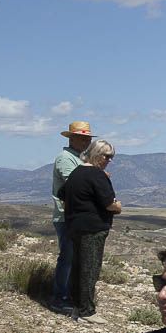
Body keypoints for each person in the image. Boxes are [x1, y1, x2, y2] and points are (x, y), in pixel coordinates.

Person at [59, 138, 122, 323]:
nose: (109, 160)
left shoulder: (77, 172)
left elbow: (63, 196)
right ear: (97, 154)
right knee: (90, 269)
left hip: (75, 226)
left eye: (111, 156)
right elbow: (110, 204)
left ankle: (77, 307)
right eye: (107, 156)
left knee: (78, 267)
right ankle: (87, 312)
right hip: (93, 228)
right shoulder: (97, 175)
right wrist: (118, 206)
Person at [50, 121, 93, 313]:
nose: (85, 141)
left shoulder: (79, 159)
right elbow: (75, 185)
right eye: (82, 138)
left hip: (76, 216)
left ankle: (69, 295)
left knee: (73, 258)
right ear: (72, 138)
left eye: (87, 138)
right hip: (67, 216)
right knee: (67, 258)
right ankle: (60, 298)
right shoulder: (66, 159)